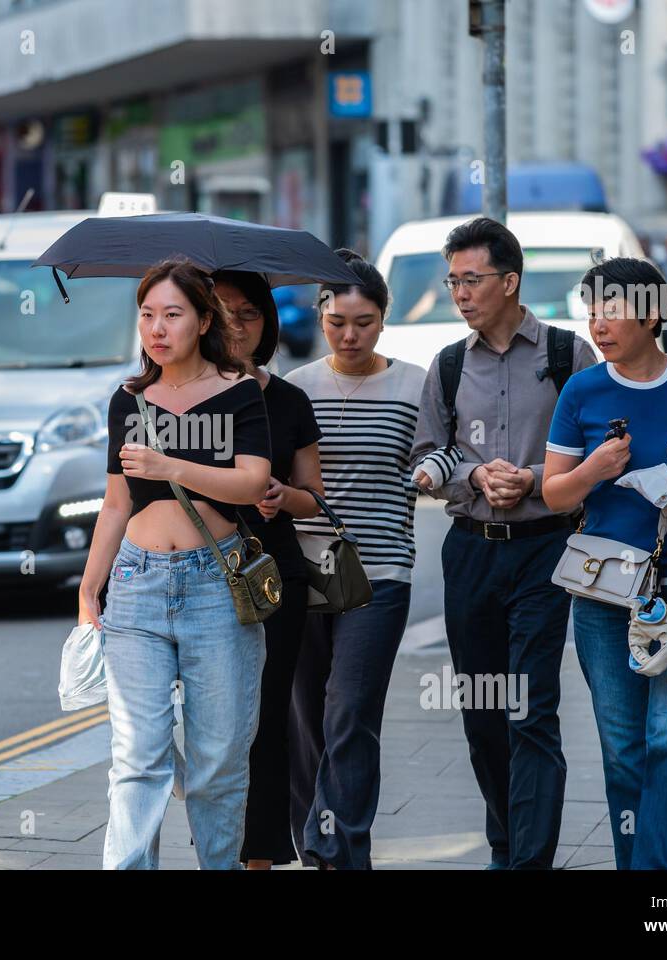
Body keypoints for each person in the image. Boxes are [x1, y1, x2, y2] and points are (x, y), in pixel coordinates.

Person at [543, 256, 667, 869]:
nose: (598, 324)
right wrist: (593, 470)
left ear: (654, 315)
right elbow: (554, 492)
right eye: (592, 311)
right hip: (604, 594)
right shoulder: (582, 390)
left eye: (613, 310)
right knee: (625, 748)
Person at [410, 216, 598, 870]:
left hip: (545, 549)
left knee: (531, 713)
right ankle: (505, 842)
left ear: (510, 281)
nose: (460, 293)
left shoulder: (567, 355)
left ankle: (528, 863)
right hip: (469, 552)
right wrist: (472, 474)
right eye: (453, 281)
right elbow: (428, 455)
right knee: (485, 716)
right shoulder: (450, 363)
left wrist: (541, 481)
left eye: (473, 279)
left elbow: (603, 451)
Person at [77, 258, 272, 870]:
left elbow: (253, 485)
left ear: (203, 320)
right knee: (138, 758)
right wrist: (90, 592)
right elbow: (114, 505)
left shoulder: (241, 392)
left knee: (217, 764)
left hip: (217, 585)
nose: (156, 329)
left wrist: (172, 469)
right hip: (135, 585)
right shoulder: (128, 399)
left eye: (172, 314)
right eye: (146, 315)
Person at [285, 249, 423, 869]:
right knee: (306, 718)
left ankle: (337, 847)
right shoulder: (296, 389)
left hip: (380, 571)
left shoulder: (418, 384)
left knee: (350, 709)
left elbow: (443, 457)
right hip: (305, 569)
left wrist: (435, 471)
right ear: (320, 317)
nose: (349, 334)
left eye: (363, 321)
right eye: (338, 321)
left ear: (384, 319)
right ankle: (315, 840)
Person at [210, 271, 324, 870]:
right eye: (221, 312)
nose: (235, 325)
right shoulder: (179, 397)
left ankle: (257, 859)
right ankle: (219, 847)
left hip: (271, 575)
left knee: (265, 718)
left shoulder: (287, 400)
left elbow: (314, 498)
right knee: (213, 727)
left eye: (249, 314)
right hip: (192, 573)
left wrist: (281, 494)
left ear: (268, 324)